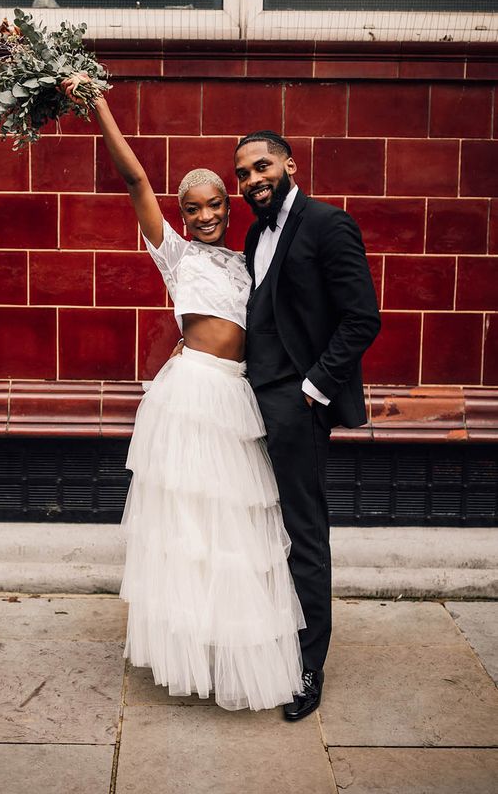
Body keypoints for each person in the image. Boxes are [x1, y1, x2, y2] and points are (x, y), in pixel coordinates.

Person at [62, 79, 304, 712]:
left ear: (229, 206)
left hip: (236, 398)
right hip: (192, 396)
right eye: (192, 208)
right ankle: (192, 649)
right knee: (191, 531)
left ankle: (234, 648)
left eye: (214, 205)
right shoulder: (175, 257)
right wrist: (97, 105)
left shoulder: (250, 258)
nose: (204, 216)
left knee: (236, 532)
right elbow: (137, 181)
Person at [234, 130, 381, 721]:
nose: (251, 180)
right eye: (243, 173)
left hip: (298, 405)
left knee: (304, 533)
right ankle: (266, 640)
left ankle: (307, 667)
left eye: (261, 166)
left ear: (290, 164)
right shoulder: (251, 235)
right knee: (258, 529)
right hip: (248, 401)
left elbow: (361, 319)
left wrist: (312, 390)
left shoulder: (328, 224)